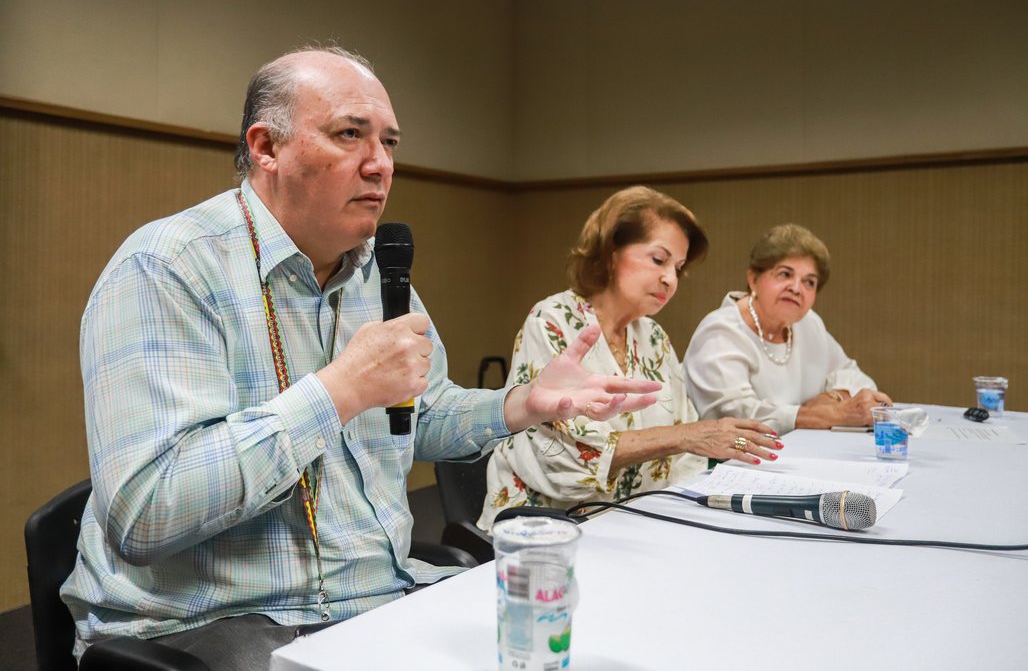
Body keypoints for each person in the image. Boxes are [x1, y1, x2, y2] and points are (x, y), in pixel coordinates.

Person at [60, 46, 662, 670]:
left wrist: (521, 404)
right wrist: (338, 391)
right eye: (350, 135)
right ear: (266, 148)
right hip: (217, 620)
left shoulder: (376, 270)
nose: (380, 165)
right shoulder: (167, 269)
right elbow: (147, 513)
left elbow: (416, 415)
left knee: (590, 641)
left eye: (390, 143)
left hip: (378, 593)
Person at [477, 186, 781, 530]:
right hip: (547, 530)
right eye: (658, 259)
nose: (670, 278)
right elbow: (567, 459)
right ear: (610, 252)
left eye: (678, 268)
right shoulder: (553, 320)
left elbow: (687, 453)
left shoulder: (652, 336)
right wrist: (687, 436)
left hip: (636, 523)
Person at [684, 223, 892, 434]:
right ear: (753, 279)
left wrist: (831, 398)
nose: (796, 288)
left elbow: (854, 376)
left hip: (798, 453)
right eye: (784, 274)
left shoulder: (808, 324)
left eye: (809, 282)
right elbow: (735, 415)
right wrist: (833, 415)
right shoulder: (721, 333)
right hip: (729, 460)